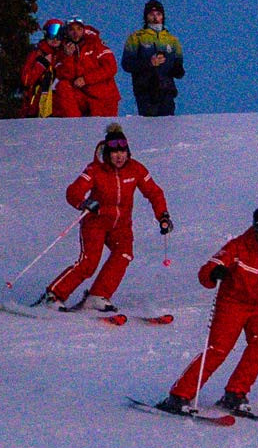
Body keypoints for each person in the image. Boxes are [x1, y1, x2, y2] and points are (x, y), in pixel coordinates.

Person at [156, 206, 258, 415]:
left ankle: (235, 393)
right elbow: (205, 273)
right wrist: (214, 273)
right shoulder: (237, 247)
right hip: (232, 304)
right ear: (254, 229)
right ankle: (179, 395)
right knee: (218, 349)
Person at [38, 123, 171, 311]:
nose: (119, 156)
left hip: (121, 226)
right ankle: (54, 295)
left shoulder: (136, 169)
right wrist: (83, 203)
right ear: (107, 153)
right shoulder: (95, 169)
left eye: (123, 152)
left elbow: (154, 193)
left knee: (124, 254)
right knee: (88, 263)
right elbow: (73, 192)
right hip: (96, 223)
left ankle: (98, 295)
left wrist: (163, 216)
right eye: (115, 153)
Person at [121, 0, 185, 117]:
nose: (155, 18)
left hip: (167, 90)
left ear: (163, 16)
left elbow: (179, 65)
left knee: (168, 126)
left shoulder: (172, 40)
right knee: (148, 128)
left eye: (158, 14)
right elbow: (127, 63)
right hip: (145, 90)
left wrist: (177, 70)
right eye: (151, 14)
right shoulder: (136, 37)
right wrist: (149, 63)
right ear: (146, 17)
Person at [53, 19, 121, 118]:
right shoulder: (63, 50)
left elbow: (111, 67)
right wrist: (68, 57)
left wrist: (86, 79)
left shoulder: (96, 44)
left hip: (103, 96)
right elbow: (64, 75)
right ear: (67, 32)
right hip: (83, 97)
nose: (75, 32)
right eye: (71, 30)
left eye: (79, 29)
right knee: (63, 86)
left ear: (83, 30)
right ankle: (74, 125)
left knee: (103, 128)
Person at [20, 19, 66, 117]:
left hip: (60, 107)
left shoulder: (64, 54)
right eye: (52, 34)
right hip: (36, 107)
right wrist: (42, 64)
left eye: (59, 35)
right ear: (46, 35)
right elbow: (26, 80)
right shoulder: (37, 54)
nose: (55, 39)